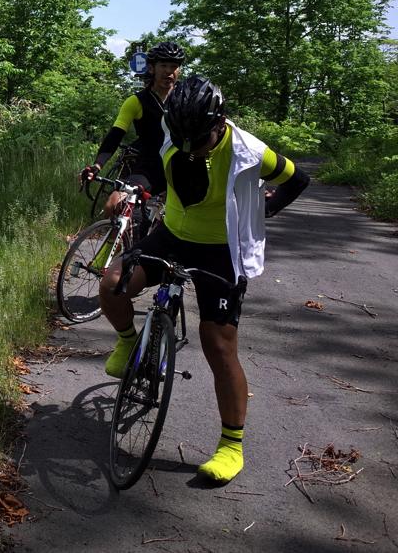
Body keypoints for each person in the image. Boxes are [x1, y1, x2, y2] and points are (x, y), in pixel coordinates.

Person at [99, 75, 310, 484]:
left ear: (219, 123)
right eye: (183, 139)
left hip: (221, 250)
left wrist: (264, 211)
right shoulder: (171, 132)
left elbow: (297, 179)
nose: (189, 148)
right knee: (112, 283)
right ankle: (128, 343)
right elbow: (151, 171)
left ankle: (232, 445)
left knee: (218, 344)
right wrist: (133, 189)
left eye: (198, 140)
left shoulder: (250, 150)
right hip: (173, 234)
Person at [81, 41, 185, 214]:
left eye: (174, 66)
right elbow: (115, 135)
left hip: (180, 166)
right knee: (113, 205)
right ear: (152, 69)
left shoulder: (186, 98)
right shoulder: (136, 102)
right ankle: (115, 241)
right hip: (149, 166)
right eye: (163, 65)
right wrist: (97, 165)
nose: (169, 71)